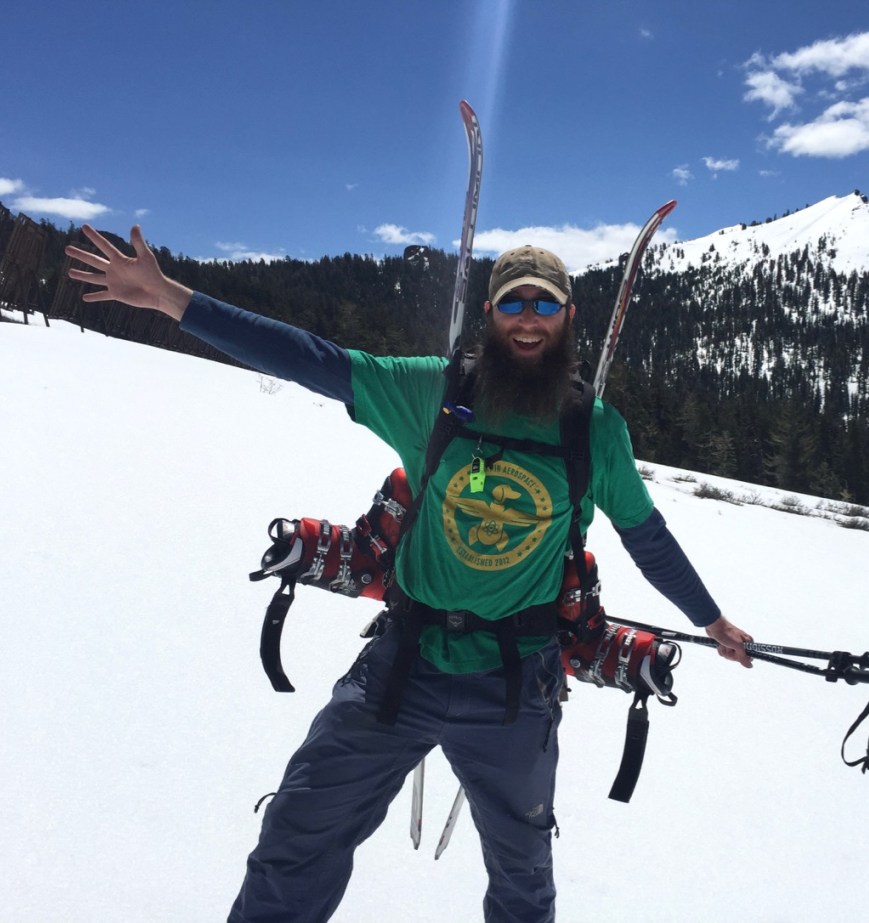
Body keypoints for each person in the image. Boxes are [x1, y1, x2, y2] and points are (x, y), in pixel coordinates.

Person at [66, 224, 754, 923]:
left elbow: (647, 537)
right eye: (514, 303)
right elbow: (311, 359)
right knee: (299, 832)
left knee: (522, 880)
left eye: (545, 305)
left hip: (516, 685)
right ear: (490, 313)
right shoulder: (434, 393)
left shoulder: (594, 430)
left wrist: (711, 620)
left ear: (568, 317)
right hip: (405, 662)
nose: (528, 320)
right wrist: (171, 298)